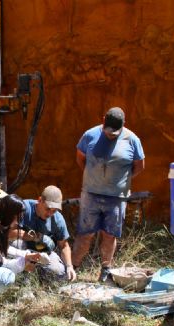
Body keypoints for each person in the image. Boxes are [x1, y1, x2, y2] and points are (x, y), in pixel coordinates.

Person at [71, 107, 145, 281]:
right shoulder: (89, 135)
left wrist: (121, 181)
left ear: (123, 125)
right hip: (91, 194)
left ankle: (105, 271)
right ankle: (72, 269)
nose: (111, 134)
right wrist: (94, 178)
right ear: (103, 120)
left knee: (109, 234)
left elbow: (140, 166)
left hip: (116, 198)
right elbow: (80, 158)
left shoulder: (132, 139)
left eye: (115, 132)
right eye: (108, 130)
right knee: (85, 233)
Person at [10, 185, 77, 281]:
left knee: (60, 273)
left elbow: (64, 246)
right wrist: (36, 237)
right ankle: (20, 275)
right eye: (48, 209)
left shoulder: (58, 219)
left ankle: (34, 272)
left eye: (54, 211)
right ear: (40, 200)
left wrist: (70, 266)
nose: (50, 213)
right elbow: (9, 233)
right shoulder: (24, 208)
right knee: (16, 242)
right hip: (22, 249)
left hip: (42, 253)